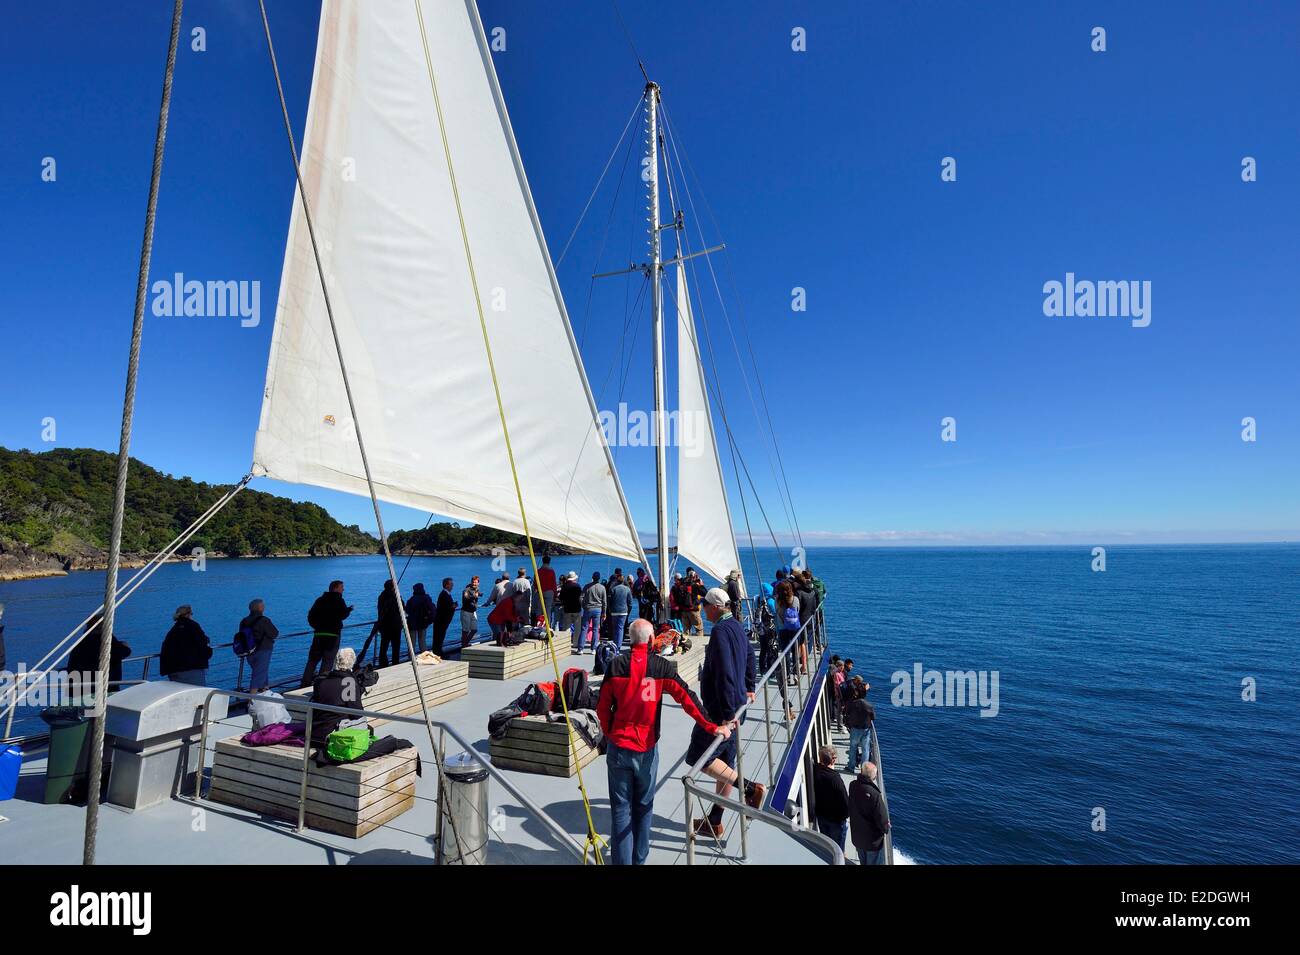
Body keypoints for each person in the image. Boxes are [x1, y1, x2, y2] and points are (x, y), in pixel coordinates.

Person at [597, 618, 732, 865]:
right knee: (644, 806)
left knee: (620, 809)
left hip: (619, 747)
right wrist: (713, 727)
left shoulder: (615, 666)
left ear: (631, 638)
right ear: (650, 640)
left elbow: (602, 707)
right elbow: (687, 700)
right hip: (646, 749)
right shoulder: (662, 668)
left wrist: (610, 734)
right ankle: (639, 860)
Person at [686, 588, 763, 838]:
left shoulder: (719, 631)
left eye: (705, 605)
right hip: (737, 705)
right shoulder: (737, 626)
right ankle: (715, 822)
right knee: (727, 763)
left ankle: (750, 789)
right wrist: (750, 686)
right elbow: (751, 655)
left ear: (716, 607)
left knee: (700, 758)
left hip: (720, 710)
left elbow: (725, 673)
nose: (702, 608)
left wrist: (727, 715)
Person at [309, 646, 364, 750]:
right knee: (367, 728)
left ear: (336, 661)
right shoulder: (348, 683)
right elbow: (357, 713)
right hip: (333, 735)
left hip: (315, 732)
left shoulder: (320, 680)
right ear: (352, 662)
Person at [303, 581, 352, 687]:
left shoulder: (320, 600)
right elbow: (342, 615)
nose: (343, 590)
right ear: (335, 588)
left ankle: (305, 683)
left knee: (313, 660)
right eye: (341, 587)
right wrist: (348, 610)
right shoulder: (339, 600)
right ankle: (321, 684)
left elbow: (311, 616)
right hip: (333, 635)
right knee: (328, 661)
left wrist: (317, 627)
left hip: (319, 634)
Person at [66, 622, 131, 692]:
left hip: (78, 690)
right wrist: (124, 645)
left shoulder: (80, 643)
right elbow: (124, 652)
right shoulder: (105, 640)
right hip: (104, 689)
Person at [848, 761, 890, 865]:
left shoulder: (852, 785)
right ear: (873, 777)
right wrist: (886, 828)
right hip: (872, 842)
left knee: (863, 861)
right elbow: (882, 818)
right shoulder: (875, 794)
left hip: (858, 837)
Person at [159, 605, 211, 685]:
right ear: (188, 614)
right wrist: (208, 652)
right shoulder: (193, 626)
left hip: (173, 670)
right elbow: (202, 643)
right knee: (197, 694)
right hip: (191, 668)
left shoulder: (173, 630)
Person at [812, 744, 851, 851]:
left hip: (821, 816)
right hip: (836, 821)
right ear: (833, 760)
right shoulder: (835, 779)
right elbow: (845, 802)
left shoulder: (815, 770)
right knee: (837, 849)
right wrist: (845, 816)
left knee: (826, 846)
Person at [239, 599, 279, 693]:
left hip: (249, 651)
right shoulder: (264, 620)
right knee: (259, 674)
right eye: (263, 605)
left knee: (260, 672)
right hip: (263, 650)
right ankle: (252, 700)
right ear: (260, 608)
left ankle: (265, 691)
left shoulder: (244, 621)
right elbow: (274, 633)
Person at [844, 678, 876, 774]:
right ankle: (863, 770)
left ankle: (851, 767)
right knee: (865, 749)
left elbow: (847, 712)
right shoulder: (869, 705)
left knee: (853, 747)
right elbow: (873, 717)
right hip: (865, 729)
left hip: (854, 729)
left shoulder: (853, 704)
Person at [775, 581, 801, 680]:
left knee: (785, 652)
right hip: (794, 628)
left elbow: (776, 612)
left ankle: (787, 674)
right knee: (795, 650)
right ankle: (795, 673)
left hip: (782, 629)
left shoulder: (777, 600)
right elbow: (797, 611)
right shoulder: (795, 599)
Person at [375, 579, 403, 667]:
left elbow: (379, 610)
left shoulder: (381, 596)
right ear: (393, 587)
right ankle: (395, 663)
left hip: (384, 625)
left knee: (383, 647)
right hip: (395, 626)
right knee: (396, 647)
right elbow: (402, 607)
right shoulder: (396, 596)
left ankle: (383, 664)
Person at [578, 571, 606, 653]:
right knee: (595, 629)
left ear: (592, 577)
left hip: (588, 609)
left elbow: (581, 597)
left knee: (584, 628)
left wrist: (583, 605)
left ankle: (580, 649)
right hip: (598, 609)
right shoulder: (602, 588)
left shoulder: (587, 586)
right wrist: (604, 613)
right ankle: (593, 649)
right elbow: (604, 602)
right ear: (599, 578)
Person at [404, 583, 435, 655]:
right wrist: (429, 620)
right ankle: (425, 657)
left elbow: (407, 610)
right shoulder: (426, 598)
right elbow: (432, 609)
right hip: (423, 622)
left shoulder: (411, 599)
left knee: (412, 643)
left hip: (412, 623)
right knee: (422, 641)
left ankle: (411, 658)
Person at [607, 568, 632, 648]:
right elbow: (630, 602)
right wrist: (628, 610)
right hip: (623, 611)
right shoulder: (627, 589)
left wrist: (610, 609)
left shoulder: (613, 587)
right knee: (620, 628)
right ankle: (618, 645)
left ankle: (615, 643)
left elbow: (610, 600)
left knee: (615, 628)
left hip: (614, 611)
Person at [433, 577, 457, 656]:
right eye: (451, 584)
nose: (452, 586)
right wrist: (453, 606)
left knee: (439, 638)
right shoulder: (444, 594)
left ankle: (438, 653)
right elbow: (446, 608)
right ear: (446, 585)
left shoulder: (445, 594)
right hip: (441, 621)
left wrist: (452, 606)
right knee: (439, 638)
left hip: (441, 620)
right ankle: (438, 653)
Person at [460, 576, 481, 649]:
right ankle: (464, 645)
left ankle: (465, 643)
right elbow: (466, 598)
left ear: (478, 583)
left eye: (476, 582)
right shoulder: (466, 590)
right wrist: (474, 596)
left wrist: (479, 594)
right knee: (465, 630)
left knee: (474, 629)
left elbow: (477, 594)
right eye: (473, 582)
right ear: (471, 582)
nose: (474, 583)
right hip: (466, 612)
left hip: (473, 611)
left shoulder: (477, 589)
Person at [538, 555, 558, 627]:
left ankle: (539, 624)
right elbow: (554, 583)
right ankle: (547, 625)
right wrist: (555, 594)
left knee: (540, 610)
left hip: (540, 592)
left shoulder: (538, 571)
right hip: (549, 592)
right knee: (548, 610)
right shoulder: (551, 571)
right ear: (549, 562)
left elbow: (535, 583)